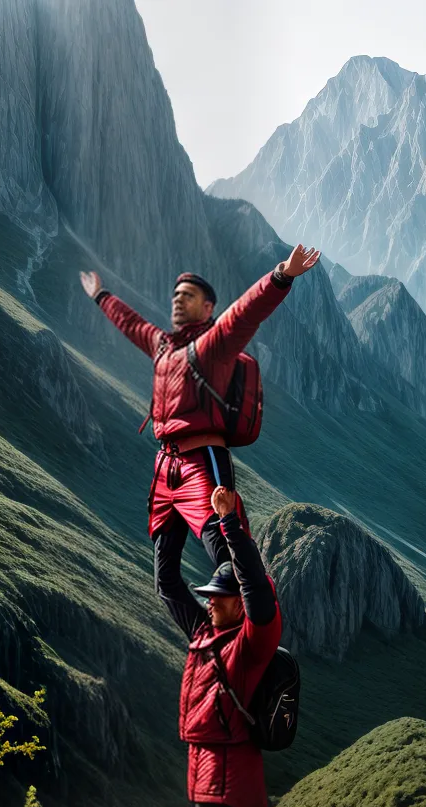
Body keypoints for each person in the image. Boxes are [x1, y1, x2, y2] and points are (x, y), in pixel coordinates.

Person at [79, 245, 320, 638]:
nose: (177, 301)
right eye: (175, 296)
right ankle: (208, 642)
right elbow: (132, 324)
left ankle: (250, 635)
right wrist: (101, 295)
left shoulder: (213, 345)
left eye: (187, 296)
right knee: (165, 578)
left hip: (200, 459)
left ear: (208, 308)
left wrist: (282, 275)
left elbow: (246, 311)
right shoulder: (162, 346)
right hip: (165, 468)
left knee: (228, 556)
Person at [176, 484, 281, 807]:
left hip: (226, 764)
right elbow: (171, 590)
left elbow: (257, 590)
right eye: (210, 599)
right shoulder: (211, 633)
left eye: (219, 599)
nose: (209, 605)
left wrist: (233, 526)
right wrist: (171, 535)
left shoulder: (253, 639)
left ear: (238, 603)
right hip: (208, 759)